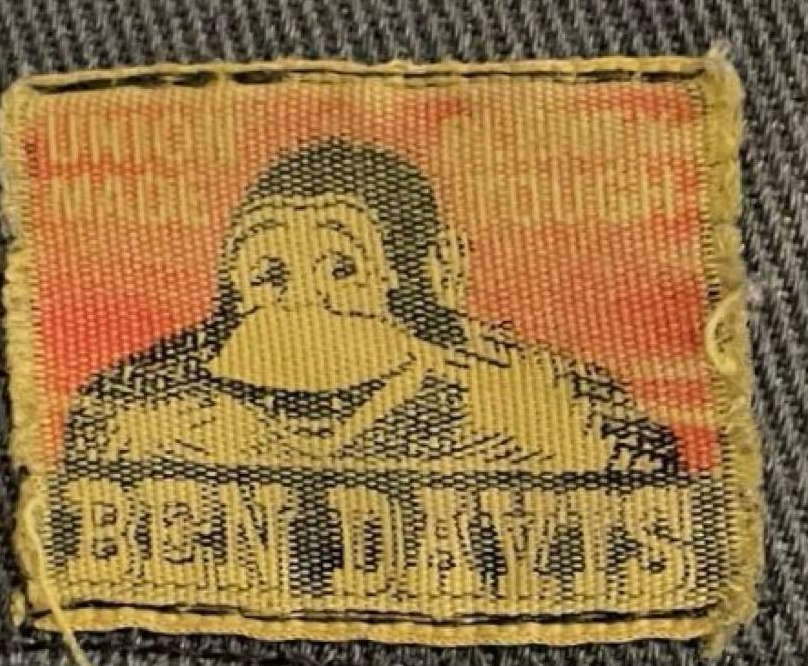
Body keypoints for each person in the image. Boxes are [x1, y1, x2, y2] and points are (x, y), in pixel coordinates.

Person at [60, 138, 678, 478]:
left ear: (440, 271)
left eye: (342, 270)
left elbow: (643, 468)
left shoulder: (553, 409)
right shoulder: (145, 413)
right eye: (269, 276)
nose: (302, 307)